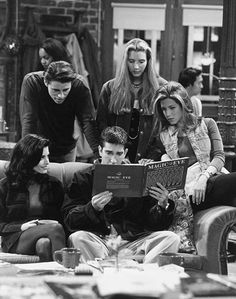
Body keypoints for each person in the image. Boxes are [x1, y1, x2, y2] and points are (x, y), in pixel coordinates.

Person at [62, 126, 180, 263]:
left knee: (171, 238)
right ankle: (105, 273)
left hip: (134, 241)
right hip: (99, 241)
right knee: (77, 238)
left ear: (125, 153)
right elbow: (69, 220)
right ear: (100, 151)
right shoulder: (83, 177)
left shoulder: (139, 175)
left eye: (118, 154)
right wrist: (92, 208)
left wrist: (162, 205)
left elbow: (153, 224)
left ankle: (143, 276)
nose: (113, 159)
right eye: (108, 153)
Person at [152, 81, 236, 213]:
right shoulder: (164, 135)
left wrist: (204, 178)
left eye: (172, 108)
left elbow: (219, 156)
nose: (167, 113)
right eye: (164, 109)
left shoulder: (207, 123)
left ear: (183, 105)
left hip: (209, 180)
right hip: (188, 193)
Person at [96, 38, 166, 163]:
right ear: (125, 61)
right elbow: (102, 125)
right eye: (131, 61)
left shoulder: (160, 87)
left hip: (148, 156)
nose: (136, 66)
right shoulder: (110, 88)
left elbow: (163, 128)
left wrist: (152, 156)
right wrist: (117, 156)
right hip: (117, 155)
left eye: (141, 61)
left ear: (149, 61)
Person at [0, 134, 66, 261]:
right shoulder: (5, 186)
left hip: (46, 235)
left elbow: (63, 217)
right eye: (42, 157)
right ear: (28, 159)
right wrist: (21, 227)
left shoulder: (54, 185)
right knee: (55, 228)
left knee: (44, 245)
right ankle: (66, 271)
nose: (47, 162)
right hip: (16, 237)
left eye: (48, 156)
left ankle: (47, 277)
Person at [20, 60, 99, 163]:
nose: (61, 95)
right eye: (56, 90)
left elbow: (88, 121)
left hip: (66, 148)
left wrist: (98, 154)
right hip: (38, 149)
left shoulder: (79, 85)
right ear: (46, 82)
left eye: (65, 90)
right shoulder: (32, 82)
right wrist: (27, 154)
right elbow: (29, 120)